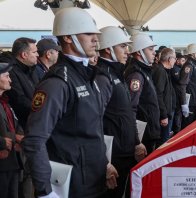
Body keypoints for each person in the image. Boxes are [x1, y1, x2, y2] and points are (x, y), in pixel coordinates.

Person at [22, 7, 118, 198]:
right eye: (88, 34)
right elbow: (34, 140)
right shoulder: (57, 83)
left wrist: (104, 163)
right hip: (72, 187)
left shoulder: (87, 76)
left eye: (95, 34)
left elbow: (91, 130)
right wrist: (45, 191)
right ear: (67, 37)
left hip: (93, 180)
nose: (95, 39)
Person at [97, 26, 146, 198]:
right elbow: (95, 120)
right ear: (109, 49)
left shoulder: (117, 74)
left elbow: (128, 112)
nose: (127, 51)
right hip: (114, 153)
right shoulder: (103, 77)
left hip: (124, 149)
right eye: (123, 47)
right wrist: (104, 160)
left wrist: (136, 141)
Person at [124, 33, 160, 154]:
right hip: (143, 135)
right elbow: (131, 107)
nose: (154, 52)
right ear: (139, 52)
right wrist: (137, 140)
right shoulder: (136, 74)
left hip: (148, 131)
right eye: (150, 49)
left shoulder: (144, 71)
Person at [0, 62, 24, 198]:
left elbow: (15, 123)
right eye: (7, 76)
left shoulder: (5, 102)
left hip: (13, 161)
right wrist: (3, 142)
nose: (10, 80)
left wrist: (20, 135)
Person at [7, 37, 39, 129]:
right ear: (24, 55)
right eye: (34, 52)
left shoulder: (32, 69)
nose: (37, 54)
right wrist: (41, 110)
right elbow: (19, 101)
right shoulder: (11, 72)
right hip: (23, 127)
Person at [152, 48, 176, 145]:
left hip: (166, 113)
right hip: (163, 115)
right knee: (163, 143)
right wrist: (164, 115)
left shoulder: (163, 70)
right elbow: (158, 94)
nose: (175, 60)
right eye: (174, 58)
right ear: (169, 59)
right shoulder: (160, 71)